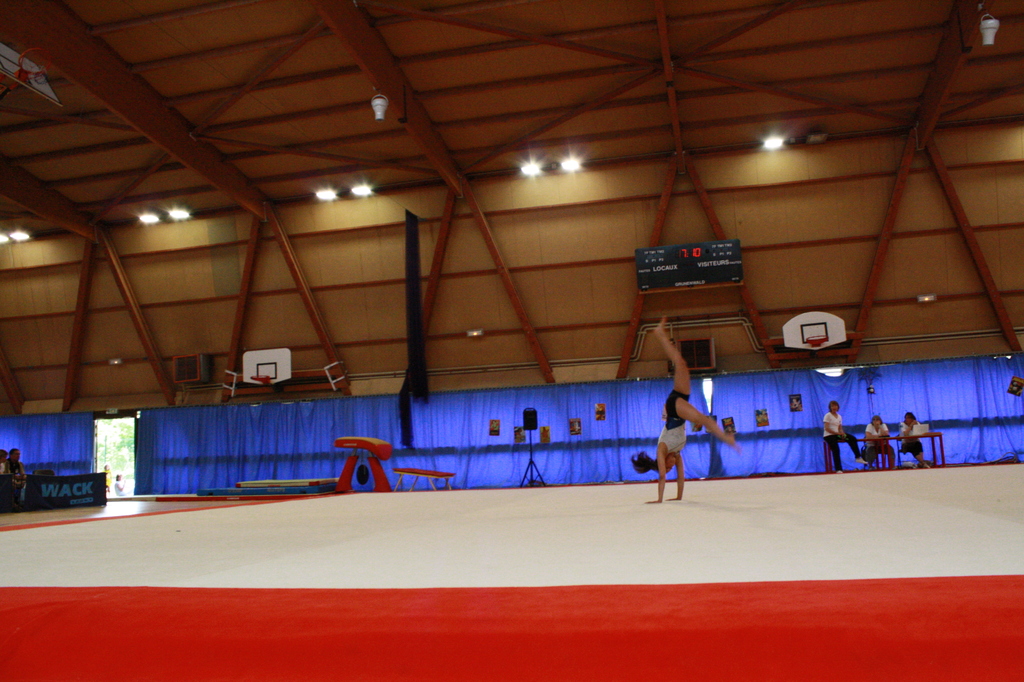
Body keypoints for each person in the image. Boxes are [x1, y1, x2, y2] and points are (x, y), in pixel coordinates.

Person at [631, 318, 739, 503]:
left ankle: (726, 439)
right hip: (679, 404)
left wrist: (659, 499)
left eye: (668, 467)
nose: (671, 467)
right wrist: (678, 497)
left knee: (704, 419)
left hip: (674, 410)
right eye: (671, 468)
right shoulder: (677, 453)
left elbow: (662, 476)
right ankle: (660, 334)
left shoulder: (662, 449)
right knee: (681, 363)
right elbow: (681, 476)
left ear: (662, 462)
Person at [823, 401, 861, 472]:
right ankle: (838, 469)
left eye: (835, 406)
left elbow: (840, 428)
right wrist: (836, 433)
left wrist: (842, 434)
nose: (834, 407)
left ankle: (858, 456)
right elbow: (827, 428)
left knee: (852, 438)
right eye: (832, 406)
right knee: (836, 450)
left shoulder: (839, 416)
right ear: (830, 407)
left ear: (838, 407)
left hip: (837, 434)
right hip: (829, 435)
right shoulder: (827, 415)